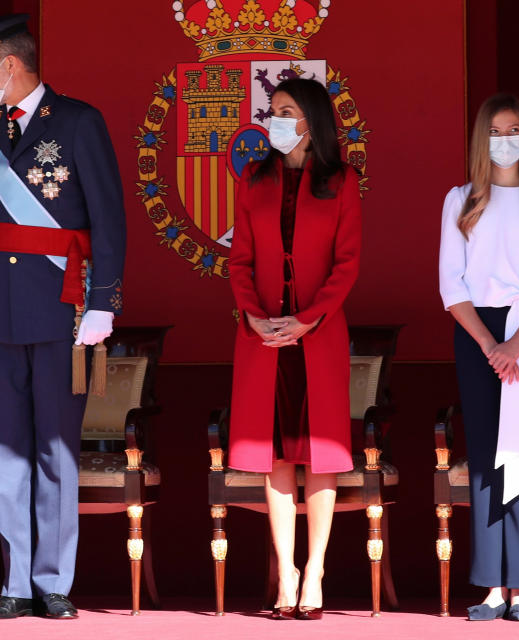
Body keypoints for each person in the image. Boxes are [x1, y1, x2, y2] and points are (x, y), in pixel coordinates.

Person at [0, 14, 125, 620]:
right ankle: (15, 583)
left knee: (54, 447)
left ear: (9, 65)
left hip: (63, 307)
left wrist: (103, 302)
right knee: (5, 448)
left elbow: (108, 218)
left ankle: (53, 580)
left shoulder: (78, 122)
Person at [228, 78, 361, 621]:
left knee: (320, 457)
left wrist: (306, 321)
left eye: (286, 112)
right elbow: (238, 261)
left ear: (312, 121)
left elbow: (346, 265)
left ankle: (316, 571)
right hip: (263, 339)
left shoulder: (342, 181)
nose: (275, 121)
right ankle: (285, 571)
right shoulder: (254, 178)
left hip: (317, 335)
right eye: (273, 112)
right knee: (274, 457)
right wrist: (255, 317)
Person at [439, 93, 519, 622]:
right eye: (494, 131)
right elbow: (451, 284)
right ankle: (491, 585)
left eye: (513, 129)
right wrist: (489, 343)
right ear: (480, 139)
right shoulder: (460, 199)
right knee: (485, 455)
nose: (504, 140)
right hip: (476, 335)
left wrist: (515, 344)